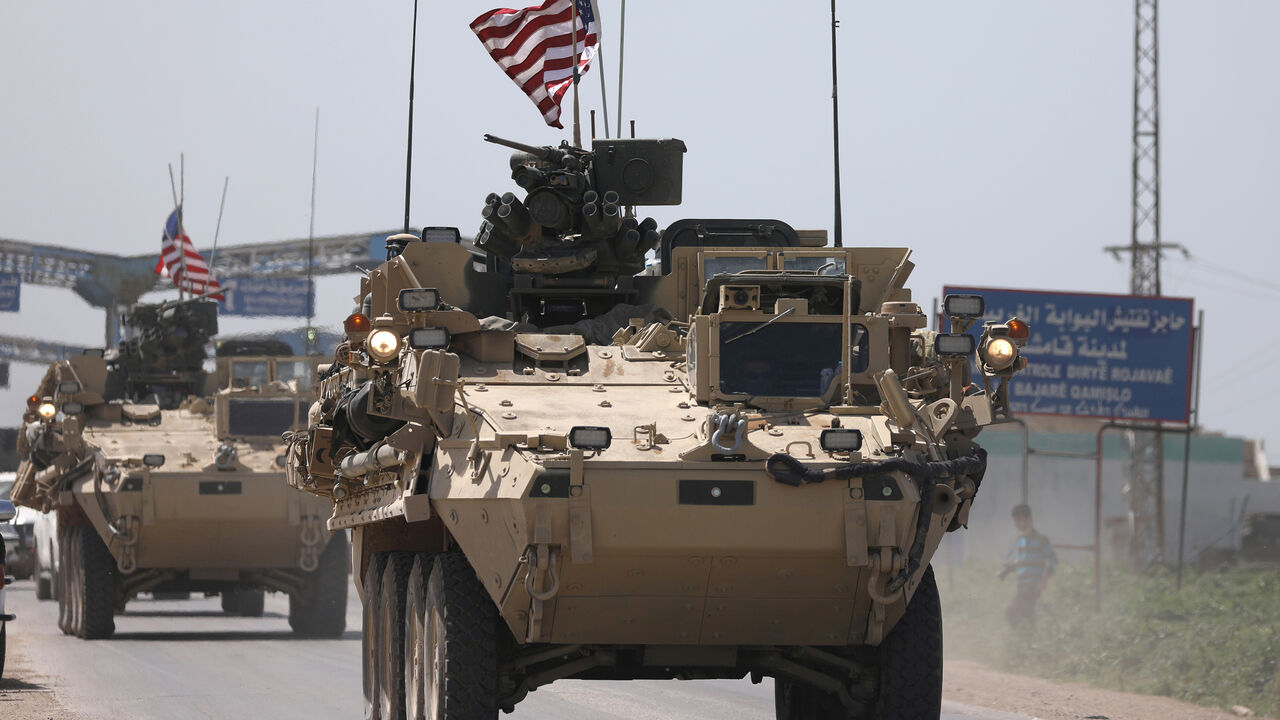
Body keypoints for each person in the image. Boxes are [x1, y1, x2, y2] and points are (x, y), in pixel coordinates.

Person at [1001, 504, 1057, 628]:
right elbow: (1022, 560)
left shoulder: (1041, 540)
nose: (1016, 524)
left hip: (1033, 586)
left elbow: (1053, 560)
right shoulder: (1020, 540)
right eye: (1015, 520)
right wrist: (1010, 565)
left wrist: (1045, 580)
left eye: (1019, 520)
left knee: (1011, 611)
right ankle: (1029, 640)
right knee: (1027, 616)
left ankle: (1024, 639)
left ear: (1029, 519)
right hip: (1021, 585)